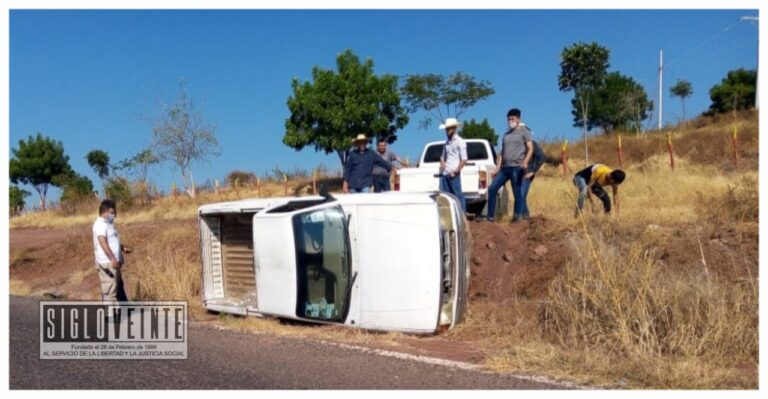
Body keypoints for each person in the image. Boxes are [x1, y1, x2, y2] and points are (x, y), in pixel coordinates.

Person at [485, 108, 534, 222]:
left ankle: (517, 217)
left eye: (512, 119)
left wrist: (526, 161)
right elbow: (502, 153)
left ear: (518, 119)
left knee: (517, 192)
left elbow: (530, 148)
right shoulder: (506, 134)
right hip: (504, 168)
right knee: (492, 189)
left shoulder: (524, 131)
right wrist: (497, 168)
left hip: (517, 167)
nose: (510, 121)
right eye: (508, 119)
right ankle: (490, 217)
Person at [92, 199, 130, 302]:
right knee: (110, 292)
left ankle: (122, 311)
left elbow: (112, 241)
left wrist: (122, 248)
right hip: (107, 263)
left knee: (116, 288)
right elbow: (102, 242)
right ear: (104, 212)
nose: (114, 215)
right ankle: (110, 316)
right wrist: (112, 258)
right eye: (112, 213)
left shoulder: (108, 224)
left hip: (113, 262)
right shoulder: (100, 225)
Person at [438, 118, 467, 212]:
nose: (447, 131)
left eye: (449, 128)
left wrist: (456, 171)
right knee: (447, 198)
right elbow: (442, 156)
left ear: (454, 128)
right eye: (446, 129)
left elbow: (464, 159)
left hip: (454, 174)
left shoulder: (460, 141)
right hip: (446, 173)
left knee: (458, 195)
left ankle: (462, 215)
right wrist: (442, 164)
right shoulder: (446, 144)